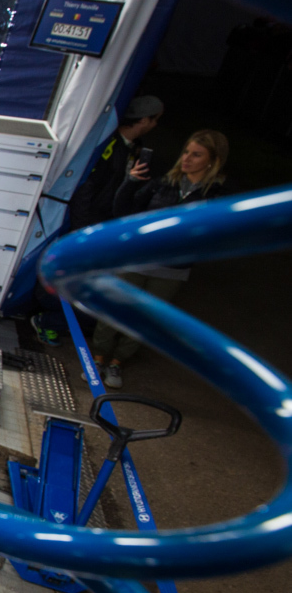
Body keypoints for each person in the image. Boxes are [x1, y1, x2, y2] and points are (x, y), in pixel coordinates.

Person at [90, 129, 233, 388]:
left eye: (196, 155)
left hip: (172, 270)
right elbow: (122, 212)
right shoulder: (163, 183)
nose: (186, 159)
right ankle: (98, 358)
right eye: (186, 152)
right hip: (135, 260)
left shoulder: (216, 197)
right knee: (113, 310)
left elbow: (218, 236)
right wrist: (130, 182)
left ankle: (117, 362)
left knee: (145, 318)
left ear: (213, 161)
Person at [31, 95, 165, 347]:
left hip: (103, 227)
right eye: (154, 120)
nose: (155, 125)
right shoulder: (109, 145)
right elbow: (86, 188)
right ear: (144, 120)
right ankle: (49, 320)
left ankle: (57, 317)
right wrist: (81, 229)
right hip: (89, 226)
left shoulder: (133, 149)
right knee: (70, 286)